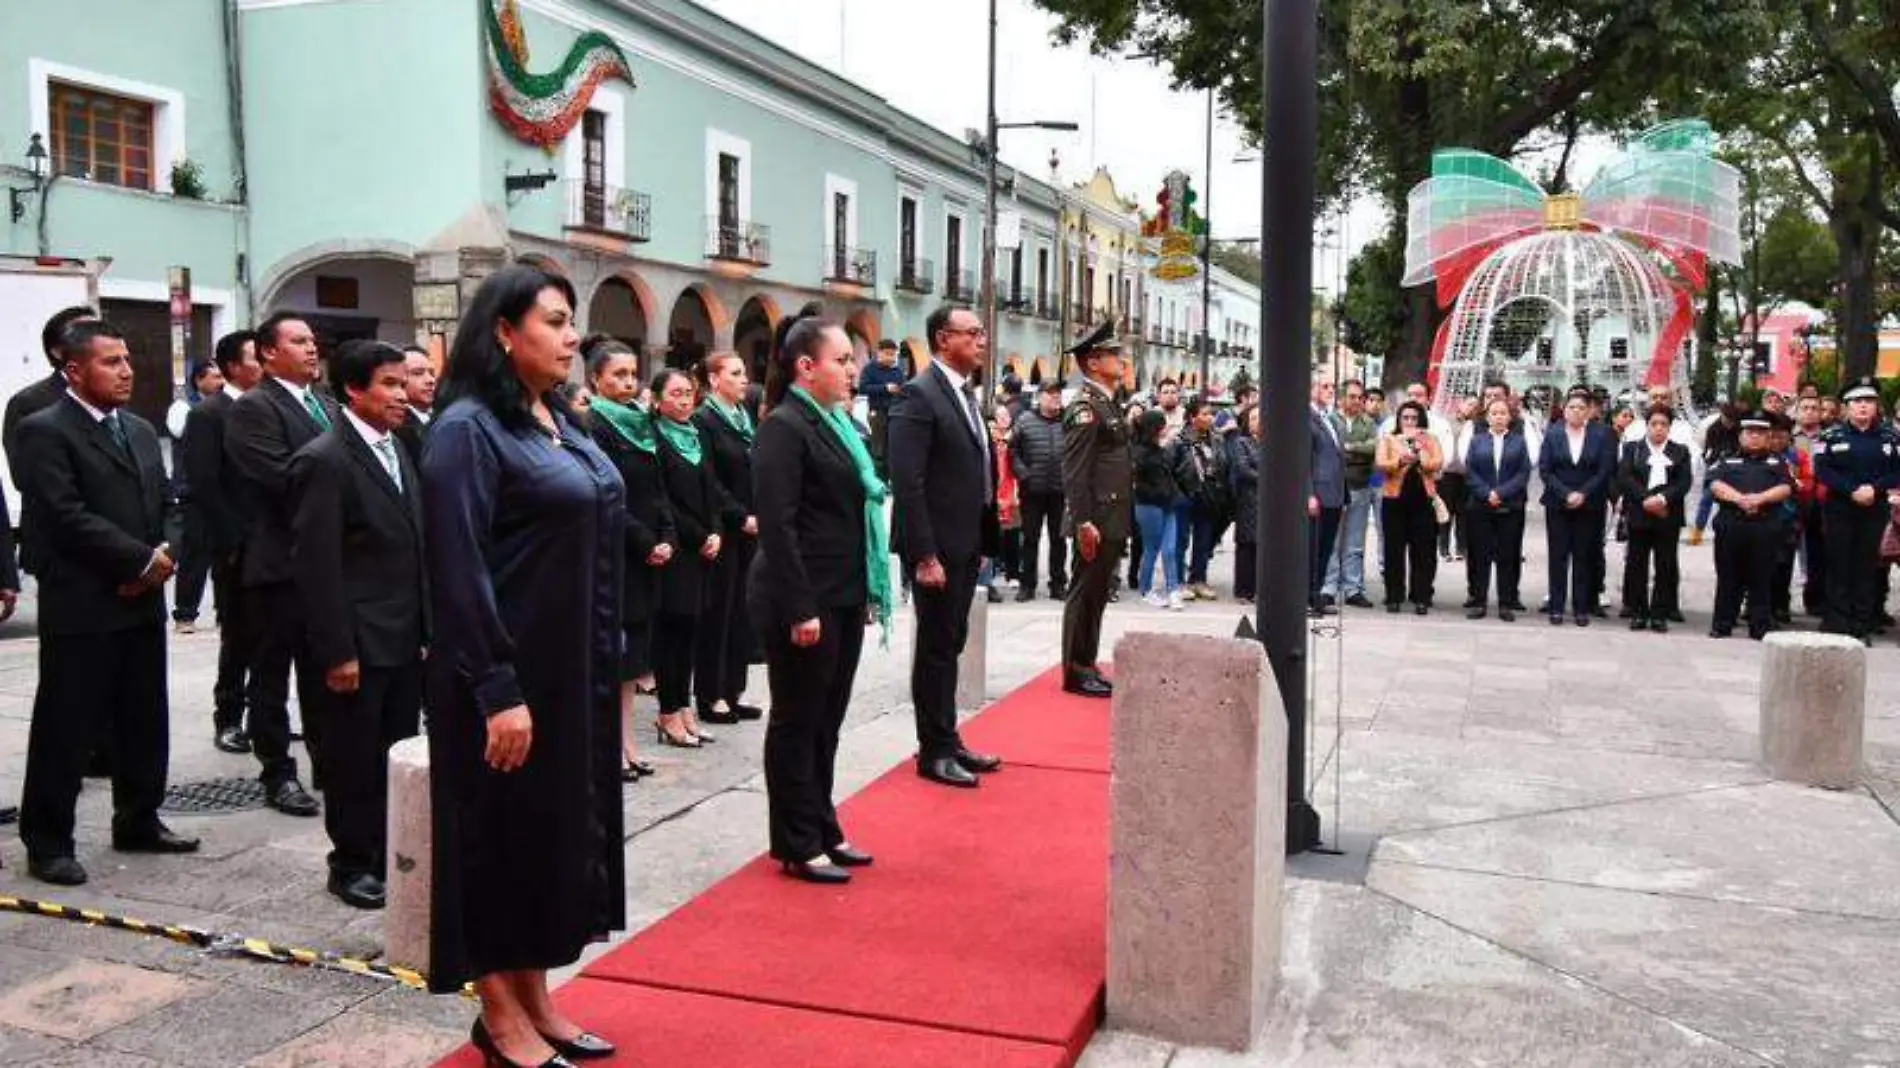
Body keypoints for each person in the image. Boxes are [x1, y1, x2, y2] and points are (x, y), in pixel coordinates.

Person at [421, 265, 623, 1065]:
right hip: (500, 676)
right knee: (497, 842)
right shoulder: (466, 428)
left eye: (572, 319)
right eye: (553, 320)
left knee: (551, 837)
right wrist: (497, 688)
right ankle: (498, 1012)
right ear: (503, 332)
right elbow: (456, 567)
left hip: (568, 669)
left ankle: (538, 994)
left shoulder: (556, 420)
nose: (572, 334)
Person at [15, 319, 196, 887]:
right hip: (84, 602)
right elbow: (64, 515)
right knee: (67, 724)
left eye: (126, 359)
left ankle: (139, 817)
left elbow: (171, 502)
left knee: (143, 716)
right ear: (74, 369)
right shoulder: (44, 429)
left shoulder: (139, 430)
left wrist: (161, 557)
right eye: (111, 361)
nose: (126, 370)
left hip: (141, 601)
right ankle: (48, 840)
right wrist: (136, 562)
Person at [288, 340, 425, 910]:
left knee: (393, 752)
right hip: (358, 642)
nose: (403, 394)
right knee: (352, 759)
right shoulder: (325, 460)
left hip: (402, 636)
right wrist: (338, 651)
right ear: (354, 389)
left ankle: (386, 853)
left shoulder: (402, 448)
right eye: (390, 384)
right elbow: (316, 568)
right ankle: (349, 863)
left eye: (405, 383)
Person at [752, 311, 887, 884]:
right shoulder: (785, 426)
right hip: (804, 597)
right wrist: (800, 608)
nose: (853, 370)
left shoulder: (837, 425)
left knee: (826, 721)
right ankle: (794, 839)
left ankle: (823, 825)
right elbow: (779, 528)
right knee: (797, 719)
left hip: (842, 592)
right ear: (807, 368)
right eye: (842, 360)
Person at [888, 304, 1002, 789]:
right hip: (937, 548)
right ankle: (932, 750)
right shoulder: (919, 395)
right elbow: (908, 482)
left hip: (964, 541)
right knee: (935, 648)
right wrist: (925, 554)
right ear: (942, 339)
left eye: (981, 333)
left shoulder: (963, 394)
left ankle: (948, 736)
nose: (981, 340)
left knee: (952, 643)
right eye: (971, 333)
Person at [224, 313, 332, 818]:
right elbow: (281, 476)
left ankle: (328, 762)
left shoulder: (328, 404)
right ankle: (277, 772)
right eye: (298, 341)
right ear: (268, 353)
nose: (312, 349)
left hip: (327, 566)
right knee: (270, 676)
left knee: (324, 672)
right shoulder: (255, 409)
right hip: (278, 565)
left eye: (313, 341)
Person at [584, 337, 669, 782]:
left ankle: (627, 740)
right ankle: (609, 745)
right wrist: (644, 540)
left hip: (647, 553)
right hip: (616, 549)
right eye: (617, 374)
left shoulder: (642, 422)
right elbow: (607, 493)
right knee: (614, 653)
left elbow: (657, 488)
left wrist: (667, 532)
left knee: (635, 655)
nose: (628, 382)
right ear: (595, 379)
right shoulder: (593, 424)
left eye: (633, 374)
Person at [182, 330, 262, 754]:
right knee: (238, 637)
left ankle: (268, 715)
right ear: (233, 365)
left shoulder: (268, 408)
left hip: (275, 545)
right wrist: (232, 544)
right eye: (255, 357)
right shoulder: (211, 414)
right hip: (237, 547)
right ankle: (229, 717)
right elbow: (206, 483)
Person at [652, 367, 740, 747]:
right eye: (675, 394)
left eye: (688, 393)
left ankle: (685, 709)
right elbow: (664, 499)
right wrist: (700, 535)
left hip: (706, 548)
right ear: (657, 399)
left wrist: (717, 530)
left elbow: (713, 489)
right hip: (678, 549)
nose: (684, 400)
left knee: (692, 632)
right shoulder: (654, 438)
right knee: (670, 634)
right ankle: (668, 711)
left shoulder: (696, 434)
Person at [1059, 321, 1131, 699]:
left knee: (1098, 593)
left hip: (1111, 516)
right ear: (1092, 362)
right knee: (1085, 592)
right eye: (1113, 354)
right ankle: (1075, 668)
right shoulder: (1086, 408)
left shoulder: (1107, 402)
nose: (1122, 359)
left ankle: (1086, 662)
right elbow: (1075, 471)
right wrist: (1084, 520)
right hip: (1096, 518)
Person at [692, 352, 763, 726]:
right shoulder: (705, 420)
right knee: (717, 612)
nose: (744, 379)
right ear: (714, 380)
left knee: (741, 611)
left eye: (744, 372)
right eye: (735, 373)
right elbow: (709, 478)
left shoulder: (743, 418)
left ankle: (733, 691)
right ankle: (710, 694)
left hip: (751, 528)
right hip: (724, 527)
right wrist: (739, 515)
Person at [7, 305, 99, 580]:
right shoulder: (29, 404)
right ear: (57, 351)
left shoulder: (110, 396)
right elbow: (26, 478)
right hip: (59, 547)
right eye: (86, 334)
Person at [1814, 377, 1900, 642]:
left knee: (1865, 567)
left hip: (1874, 509)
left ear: (1876, 407)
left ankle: (1861, 624)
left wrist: (1874, 489)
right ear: (1846, 407)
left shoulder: (1890, 437)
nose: (1863, 406)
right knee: (1839, 563)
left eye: (1869, 401)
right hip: (1840, 508)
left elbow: (1897, 471)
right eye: (1857, 402)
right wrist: (1851, 489)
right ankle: (1837, 620)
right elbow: (1822, 469)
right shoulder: (1830, 436)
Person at [1708, 410, 1795, 640]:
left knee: (1762, 577)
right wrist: (1740, 499)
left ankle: (1759, 625)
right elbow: (1715, 484)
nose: (1754, 436)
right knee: (1728, 576)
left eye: (1760, 432)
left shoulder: (1778, 463)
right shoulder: (1727, 459)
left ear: (1768, 436)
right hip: (1732, 525)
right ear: (1740, 436)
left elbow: (1786, 488)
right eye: (1750, 432)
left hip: (1764, 527)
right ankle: (1722, 623)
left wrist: (1760, 499)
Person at [1538, 388, 1616, 626]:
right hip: (1558, 504)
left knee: (1584, 556)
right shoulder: (1553, 434)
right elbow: (1545, 469)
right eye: (1572, 407)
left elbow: (1605, 469)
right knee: (1558, 556)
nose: (1576, 412)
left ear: (1589, 411)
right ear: (1564, 410)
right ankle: (1557, 607)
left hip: (1589, 504)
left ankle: (1581, 607)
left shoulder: (1601, 434)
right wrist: (1565, 493)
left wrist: (1583, 493)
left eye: (1582, 408)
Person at [1615, 406, 1692, 632]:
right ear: (1647, 425)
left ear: (1669, 427)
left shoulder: (1680, 451)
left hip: (1668, 515)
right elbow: (1625, 477)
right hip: (1640, 513)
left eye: (1663, 424)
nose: (1658, 429)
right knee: (1637, 563)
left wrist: (1662, 499)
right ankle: (1638, 611)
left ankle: (1659, 612)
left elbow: (1683, 482)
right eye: (1654, 424)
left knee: (1665, 565)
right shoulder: (1633, 449)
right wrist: (1646, 499)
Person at [170, 360, 228, 634]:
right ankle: (185, 614)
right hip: (193, 495)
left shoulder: (227, 408)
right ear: (198, 380)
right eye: (214, 377)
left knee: (225, 556)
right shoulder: (184, 409)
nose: (220, 382)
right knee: (195, 557)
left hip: (222, 494)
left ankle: (224, 611)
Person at [1463, 398, 1531, 621]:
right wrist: (1487, 493)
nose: (1499, 417)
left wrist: (1501, 493)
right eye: (1494, 413)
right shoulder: (1477, 441)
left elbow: (1523, 474)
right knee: (1481, 555)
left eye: (1503, 413)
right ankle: (1479, 601)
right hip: (1481, 506)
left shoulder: (1519, 442)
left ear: (1510, 418)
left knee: (1507, 555)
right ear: (1487, 417)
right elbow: (1470, 471)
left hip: (1510, 507)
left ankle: (1505, 603)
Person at [1375, 400, 1444, 614]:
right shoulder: (1389, 439)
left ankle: (1421, 596)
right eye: (1405, 417)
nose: (1409, 421)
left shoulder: (1430, 439)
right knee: (1393, 549)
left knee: (1423, 549)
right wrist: (1400, 460)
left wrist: (1420, 454)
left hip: (1423, 499)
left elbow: (1437, 462)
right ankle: (1394, 595)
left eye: (1414, 418)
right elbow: (1381, 464)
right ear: (1399, 420)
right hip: (1394, 498)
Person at [1323, 379, 1379, 609]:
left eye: (1360, 397)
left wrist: (1351, 448)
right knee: (1333, 540)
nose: (1357, 401)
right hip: (1334, 487)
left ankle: (1354, 588)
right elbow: (1330, 449)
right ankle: (1328, 588)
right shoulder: (1330, 420)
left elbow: (1374, 447)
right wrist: (1357, 448)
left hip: (1360, 486)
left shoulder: (1368, 423)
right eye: (1352, 396)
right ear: (1342, 398)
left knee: (1355, 541)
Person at [1010, 380, 1068, 602]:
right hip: (1032, 490)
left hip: (1059, 490)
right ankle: (1027, 584)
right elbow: (1012, 451)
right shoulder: (1025, 420)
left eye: (1058, 394)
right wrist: (1023, 474)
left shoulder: (1068, 421)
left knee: (1059, 539)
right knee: (1030, 539)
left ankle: (1058, 584)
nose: (1056, 398)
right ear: (1040, 397)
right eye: (1051, 394)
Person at [1172, 398, 1226, 600]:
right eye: (1204, 414)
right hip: (1185, 494)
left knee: (1203, 541)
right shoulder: (1180, 440)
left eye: (1211, 414)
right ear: (1193, 417)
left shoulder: (1217, 439)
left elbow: (1222, 465)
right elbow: (1170, 468)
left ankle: (1198, 579)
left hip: (1209, 494)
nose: (1209, 418)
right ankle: (1177, 581)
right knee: (1180, 540)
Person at [1131, 410, 1185, 610]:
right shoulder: (1139, 452)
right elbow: (1138, 481)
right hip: (1148, 505)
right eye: (1162, 425)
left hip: (1168, 504)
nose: (1166, 428)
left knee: (1170, 549)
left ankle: (1173, 590)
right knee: (1152, 548)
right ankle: (1146, 589)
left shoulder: (1160, 449)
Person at [1308, 376, 1346, 616]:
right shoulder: (1305, 418)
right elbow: (1303, 460)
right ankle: (1307, 597)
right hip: (1317, 494)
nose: (1330, 390)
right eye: (1324, 386)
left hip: (1334, 493)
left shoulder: (1329, 418)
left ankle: (1317, 595)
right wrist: (1309, 494)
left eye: (1333, 386)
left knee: (1325, 549)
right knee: (1312, 549)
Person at [1436, 395, 1478, 562]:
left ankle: (1462, 548)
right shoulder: (1448, 422)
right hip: (1448, 473)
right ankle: (1443, 547)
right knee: (1446, 511)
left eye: (1476, 405)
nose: (1472, 408)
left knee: (1464, 512)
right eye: (1469, 404)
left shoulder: (1477, 425)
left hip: (1468, 475)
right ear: (1461, 404)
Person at [858, 337, 906, 476]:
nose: (892, 358)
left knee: (893, 448)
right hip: (877, 412)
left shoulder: (897, 371)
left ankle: (891, 479)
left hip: (895, 413)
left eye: (894, 355)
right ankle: (879, 480)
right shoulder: (870, 369)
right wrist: (885, 388)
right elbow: (863, 388)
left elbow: (903, 387)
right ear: (880, 353)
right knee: (878, 449)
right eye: (888, 354)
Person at [1230, 405, 1262, 603]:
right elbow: (1243, 469)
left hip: (1267, 502)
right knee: (1246, 545)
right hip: (1248, 499)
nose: (1257, 421)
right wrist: (1268, 479)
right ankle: (1243, 590)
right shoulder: (1242, 443)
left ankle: (1260, 589)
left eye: (1260, 417)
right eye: (1253, 418)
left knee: (1262, 546)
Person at [393, 344, 437, 462]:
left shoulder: (445, 415)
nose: (430, 380)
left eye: (432, 373)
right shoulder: (396, 427)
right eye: (418, 373)